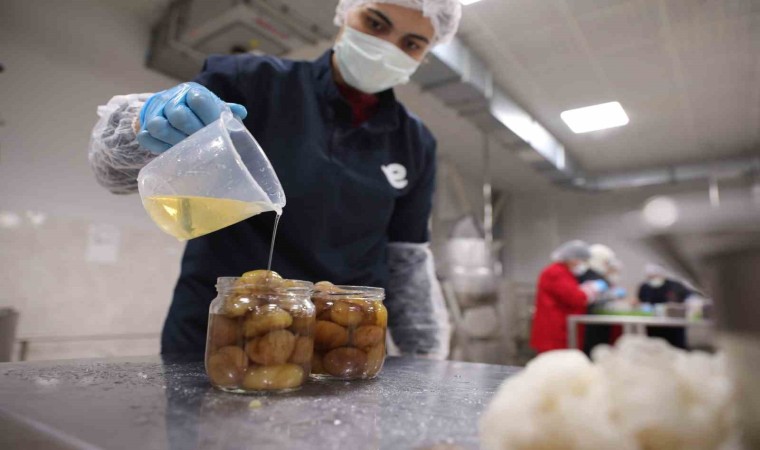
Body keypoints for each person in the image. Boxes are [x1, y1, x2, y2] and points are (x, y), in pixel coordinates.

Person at [88, 0, 463, 358]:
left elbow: (407, 263)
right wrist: (143, 126)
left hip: (338, 343)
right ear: (347, 12)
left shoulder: (415, 143)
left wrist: (424, 358)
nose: (387, 48)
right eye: (376, 23)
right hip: (223, 335)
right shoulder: (251, 82)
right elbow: (113, 173)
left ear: (425, 54)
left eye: (412, 44)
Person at [530, 240, 608, 353]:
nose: (582, 265)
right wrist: (591, 289)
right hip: (555, 332)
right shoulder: (556, 273)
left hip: (560, 329)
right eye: (582, 260)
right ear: (573, 258)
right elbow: (576, 298)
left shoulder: (564, 272)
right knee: (556, 362)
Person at [577, 244, 627, 355]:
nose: (607, 266)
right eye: (606, 262)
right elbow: (586, 298)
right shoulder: (589, 275)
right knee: (593, 350)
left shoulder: (598, 276)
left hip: (600, 321)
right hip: (591, 323)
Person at [638, 263, 692, 349]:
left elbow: (689, 297)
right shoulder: (645, 287)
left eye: (654, 276)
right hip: (654, 326)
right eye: (650, 277)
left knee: (676, 348)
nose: (652, 279)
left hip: (674, 326)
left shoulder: (675, 286)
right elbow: (641, 301)